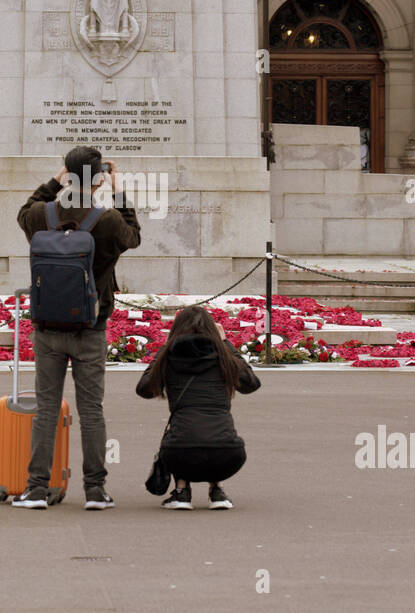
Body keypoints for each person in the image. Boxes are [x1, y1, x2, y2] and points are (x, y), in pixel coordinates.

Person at [14, 146, 141, 511]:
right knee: (91, 411)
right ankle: (95, 490)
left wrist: (54, 183)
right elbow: (133, 236)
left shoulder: (41, 215)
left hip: (48, 328)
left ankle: (36, 488)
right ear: (100, 179)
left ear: (67, 176)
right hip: (91, 327)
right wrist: (118, 192)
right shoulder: (109, 221)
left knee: (47, 410)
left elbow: (24, 211)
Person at [136, 306, 261, 510]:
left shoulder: (170, 358)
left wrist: (165, 348)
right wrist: (226, 344)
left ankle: (181, 491)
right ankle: (217, 490)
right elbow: (251, 384)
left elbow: (144, 389)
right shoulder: (224, 358)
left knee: (185, 433)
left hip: (179, 454)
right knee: (210, 432)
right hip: (229, 455)